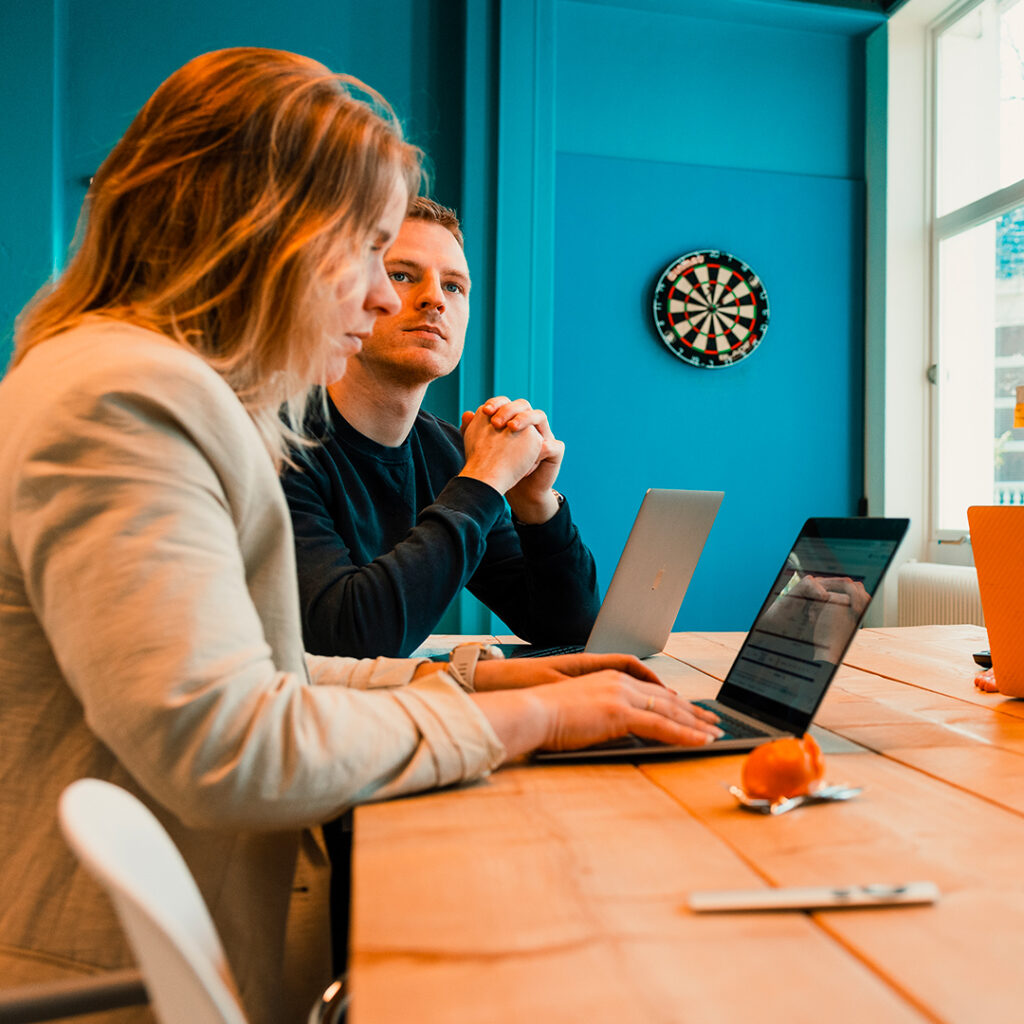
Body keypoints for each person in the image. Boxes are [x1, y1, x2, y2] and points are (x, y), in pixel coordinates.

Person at [0, 48, 722, 1024]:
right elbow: (227, 742)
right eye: (371, 253)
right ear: (264, 230)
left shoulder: (151, 386)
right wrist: (536, 722)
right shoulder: (128, 396)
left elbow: (273, 670)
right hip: (111, 981)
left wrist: (490, 677)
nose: (389, 300)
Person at [282, 198, 600, 658]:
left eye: (454, 286)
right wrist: (484, 481)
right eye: (402, 275)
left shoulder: (449, 452)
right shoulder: (279, 442)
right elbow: (348, 639)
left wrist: (536, 506)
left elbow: (569, 625)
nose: (434, 298)